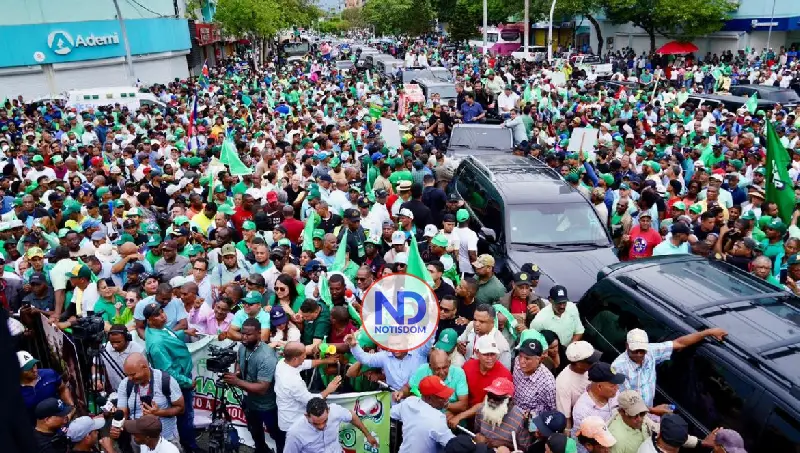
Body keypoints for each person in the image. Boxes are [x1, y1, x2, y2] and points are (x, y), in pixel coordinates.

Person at [611, 327, 727, 409]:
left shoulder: (651, 351)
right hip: (631, 415)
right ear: (627, 346)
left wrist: (707, 333)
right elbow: (626, 403)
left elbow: (679, 343)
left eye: (642, 350)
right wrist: (654, 411)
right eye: (635, 350)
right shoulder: (619, 367)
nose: (639, 354)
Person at [140, 302, 197, 452]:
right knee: (185, 416)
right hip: (180, 382)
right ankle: (189, 447)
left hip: (182, 376)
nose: (163, 316)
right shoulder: (156, 344)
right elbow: (167, 372)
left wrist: (184, 332)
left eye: (162, 312)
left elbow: (169, 334)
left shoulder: (158, 328)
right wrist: (188, 382)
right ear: (150, 320)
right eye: (157, 315)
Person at [222, 318, 282, 453]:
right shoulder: (243, 347)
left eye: (248, 335)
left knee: (275, 434)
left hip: (267, 406)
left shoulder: (267, 357)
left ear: (259, 333)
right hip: (249, 402)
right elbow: (239, 361)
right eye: (242, 333)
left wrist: (236, 381)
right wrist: (237, 372)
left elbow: (262, 388)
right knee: (255, 432)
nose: (244, 337)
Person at [275, 342, 342, 444]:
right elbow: (311, 401)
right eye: (303, 355)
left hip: (286, 419)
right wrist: (329, 390)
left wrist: (325, 361)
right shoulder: (292, 381)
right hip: (293, 425)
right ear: (295, 359)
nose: (305, 356)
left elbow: (305, 364)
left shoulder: (283, 363)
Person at [114, 352, 184, 447]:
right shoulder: (125, 384)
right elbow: (122, 412)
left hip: (166, 439)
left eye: (133, 374)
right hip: (139, 441)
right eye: (127, 375)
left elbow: (181, 408)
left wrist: (159, 412)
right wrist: (117, 427)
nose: (130, 378)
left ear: (144, 367)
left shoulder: (166, 380)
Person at [284, 397, 378, 453]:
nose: (321, 426)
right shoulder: (294, 433)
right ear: (306, 416)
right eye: (316, 424)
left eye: (325, 421)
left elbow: (352, 416)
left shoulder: (335, 410)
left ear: (328, 411)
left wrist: (368, 435)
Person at [391, 375, 456, 453]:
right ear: (429, 398)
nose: (447, 399)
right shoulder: (437, 418)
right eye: (442, 397)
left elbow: (390, 413)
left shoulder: (410, 402)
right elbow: (454, 445)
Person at [473, 377, 532, 451]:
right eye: (490, 395)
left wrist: (504, 444)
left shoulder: (520, 419)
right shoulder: (482, 410)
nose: (491, 400)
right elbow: (477, 432)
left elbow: (525, 449)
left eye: (496, 398)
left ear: (509, 401)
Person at [555, 341, 601, 429]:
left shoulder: (592, 368)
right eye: (591, 361)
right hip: (583, 421)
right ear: (579, 364)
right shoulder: (563, 383)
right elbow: (565, 416)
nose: (595, 362)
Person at [19, 351, 73, 422]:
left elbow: (63, 388)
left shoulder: (49, 374)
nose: (34, 370)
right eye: (29, 368)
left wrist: (71, 406)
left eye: (34, 365)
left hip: (62, 418)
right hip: (37, 428)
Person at [572, 363, 625, 430]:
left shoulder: (613, 392)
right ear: (599, 387)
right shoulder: (582, 411)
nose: (617, 388)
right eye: (612, 386)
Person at [512, 338, 556, 415]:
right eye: (520, 356)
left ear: (538, 359)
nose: (522, 361)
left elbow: (552, 411)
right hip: (513, 411)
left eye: (527, 358)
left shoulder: (548, 383)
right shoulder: (517, 362)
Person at [98, 324, 144, 393]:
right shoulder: (105, 348)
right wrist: (97, 379)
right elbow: (95, 365)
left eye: (118, 342)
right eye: (112, 342)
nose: (115, 345)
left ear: (127, 338)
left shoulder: (138, 350)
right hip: (116, 392)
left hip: (137, 391)